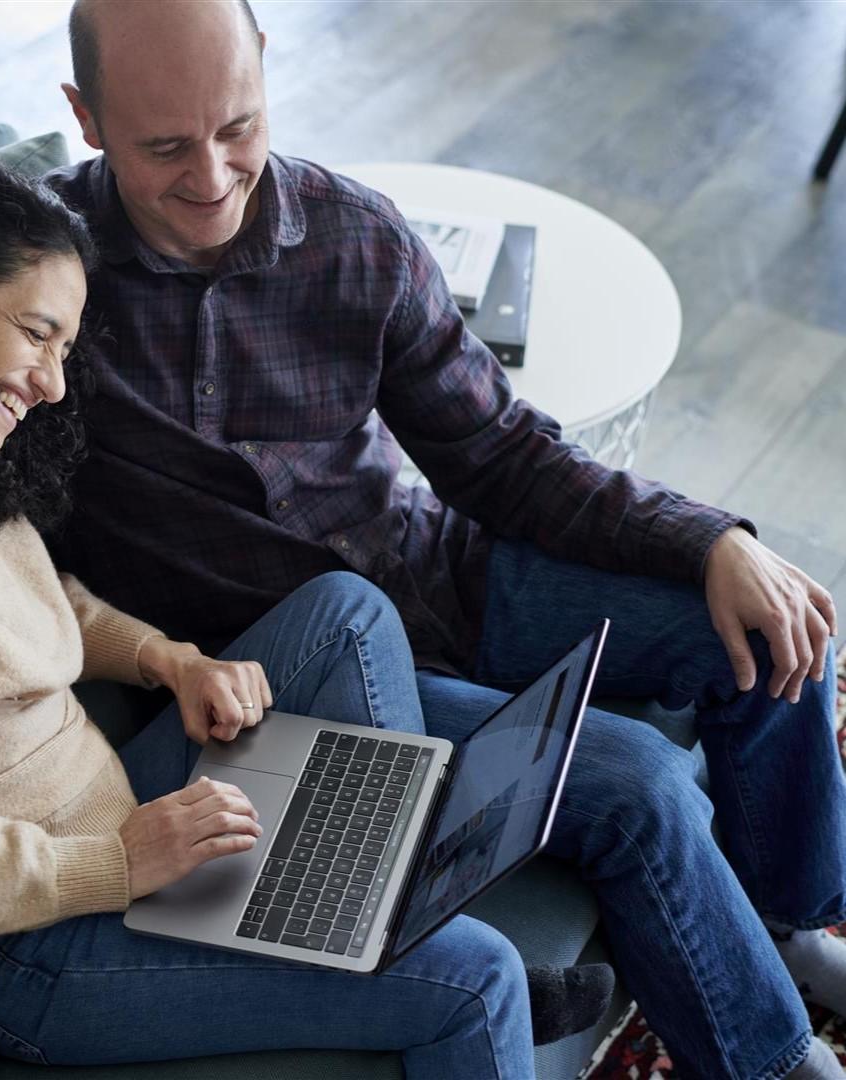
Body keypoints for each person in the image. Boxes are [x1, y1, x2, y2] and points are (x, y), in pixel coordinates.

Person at [42, 0, 846, 1076]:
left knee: (775, 627)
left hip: (443, 571)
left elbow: (504, 455)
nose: (214, 175)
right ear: (86, 118)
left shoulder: (356, 237)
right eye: (166, 147)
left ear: (268, 66)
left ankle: (785, 923)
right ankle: (776, 1065)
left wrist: (710, 543)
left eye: (237, 126)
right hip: (290, 689)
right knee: (644, 785)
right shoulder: (43, 289)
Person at [0, 150, 625, 1079]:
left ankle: (393, 910)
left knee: (344, 614)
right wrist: (118, 865)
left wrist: (170, 660)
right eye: (35, 333)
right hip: (29, 947)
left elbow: (28, 605)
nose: (53, 383)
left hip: (100, 816)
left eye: (65, 349)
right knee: (480, 979)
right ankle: (427, 956)